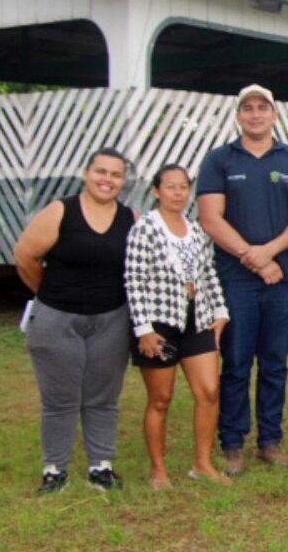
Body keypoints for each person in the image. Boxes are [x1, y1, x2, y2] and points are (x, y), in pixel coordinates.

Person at [197, 84, 288, 475]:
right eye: (247, 108)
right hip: (235, 279)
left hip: (282, 279)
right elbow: (210, 218)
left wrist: (269, 252)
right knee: (235, 361)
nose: (255, 114)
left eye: (262, 108)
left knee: (274, 363)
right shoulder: (219, 160)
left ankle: (270, 440)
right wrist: (254, 257)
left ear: (274, 115)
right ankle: (232, 443)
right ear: (238, 116)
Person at [14, 148, 136, 493]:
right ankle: (55, 469)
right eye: (101, 172)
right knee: (60, 399)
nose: (107, 180)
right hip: (57, 319)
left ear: (123, 181)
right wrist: (51, 295)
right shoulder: (60, 211)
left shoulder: (130, 218)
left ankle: (101, 466)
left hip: (110, 319)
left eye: (115, 174)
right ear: (86, 173)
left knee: (103, 397)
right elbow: (25, 256)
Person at [125, 164, 231, 489]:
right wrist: (143, 328)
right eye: (170, 186)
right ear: (156, 191)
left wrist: (220, 310)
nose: (177, 193)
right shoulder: (144, 229)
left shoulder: (196, 230)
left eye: (183, 187)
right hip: (159, 323)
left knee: (210, 392)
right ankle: (159, 470)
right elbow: (134, 280)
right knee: (161, 398)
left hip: (196, 319)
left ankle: (202, 463)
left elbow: (208, 272)